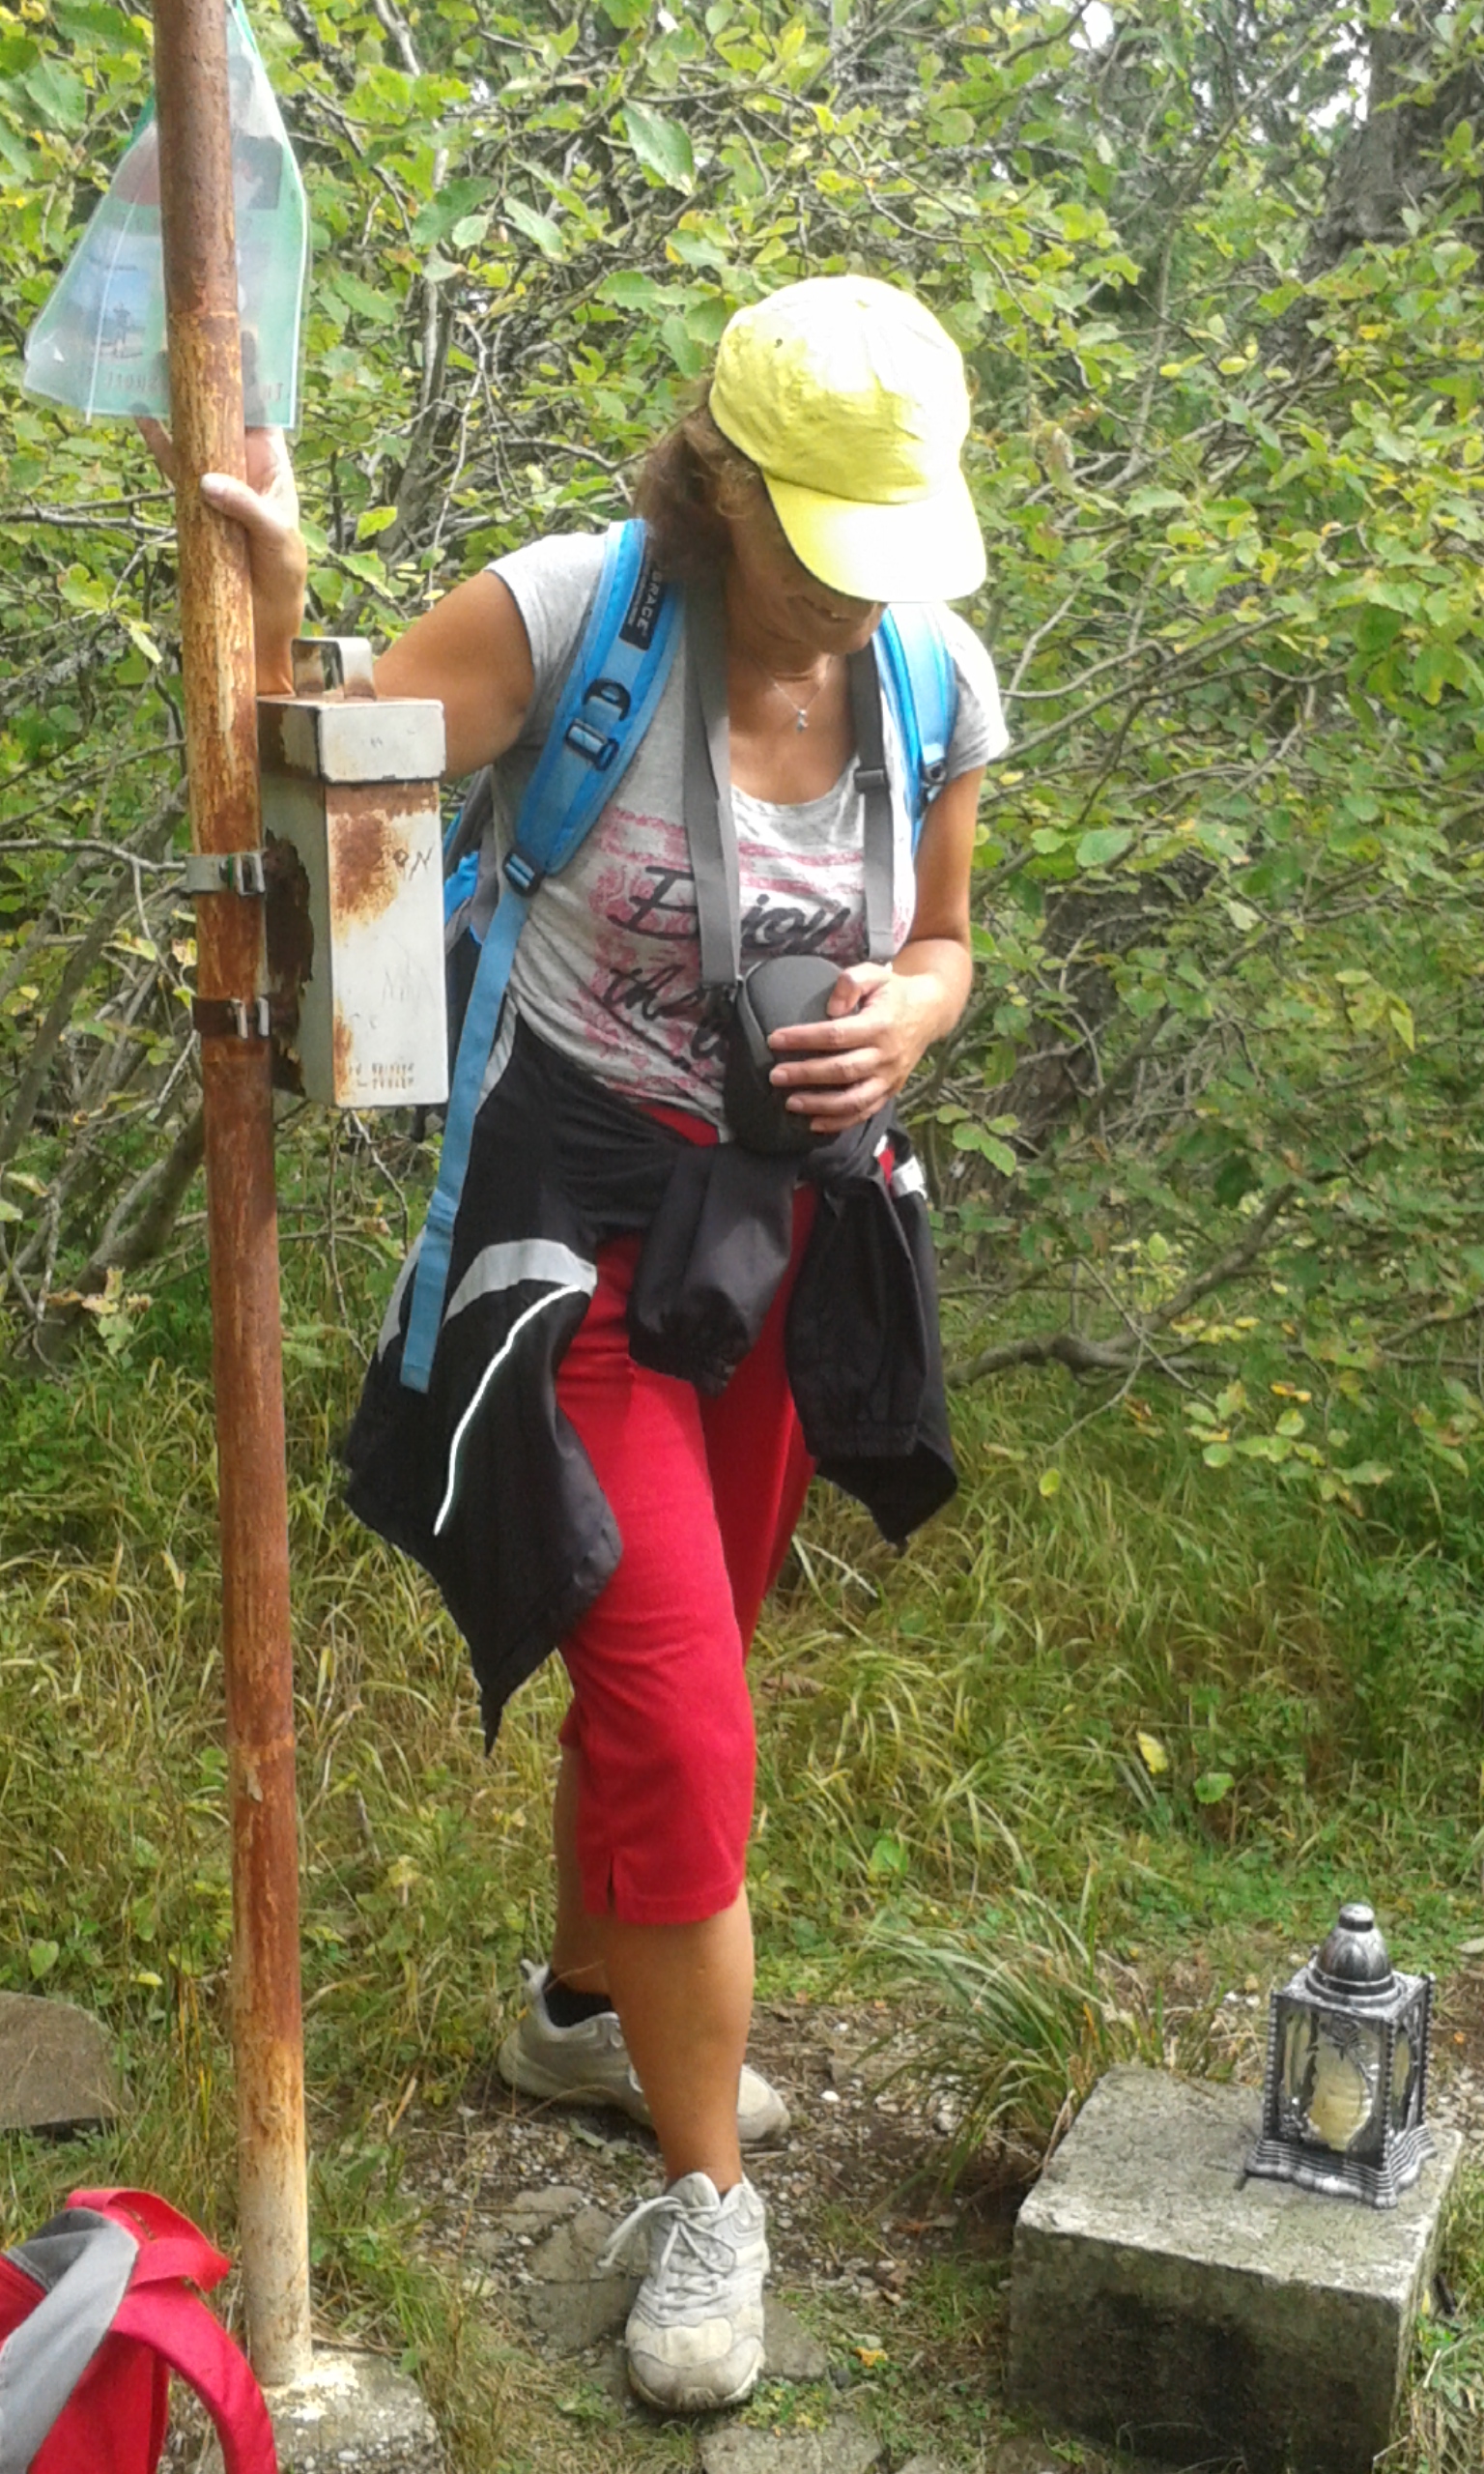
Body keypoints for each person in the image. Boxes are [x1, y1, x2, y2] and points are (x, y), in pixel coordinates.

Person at [173, 273, 1007, 2415]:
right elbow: (325, 784)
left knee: (674, 1660)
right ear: (723, 487)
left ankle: (571, 2011)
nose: (856, 592)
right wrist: (282, 602)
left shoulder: (930, 675)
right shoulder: (575, 616)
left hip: (786, 1248)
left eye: (887, 546)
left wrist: (912, 1017)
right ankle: (709, 2199)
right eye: (820, 542)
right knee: (685, 1711)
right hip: (576, 1252)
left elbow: (944, 938)